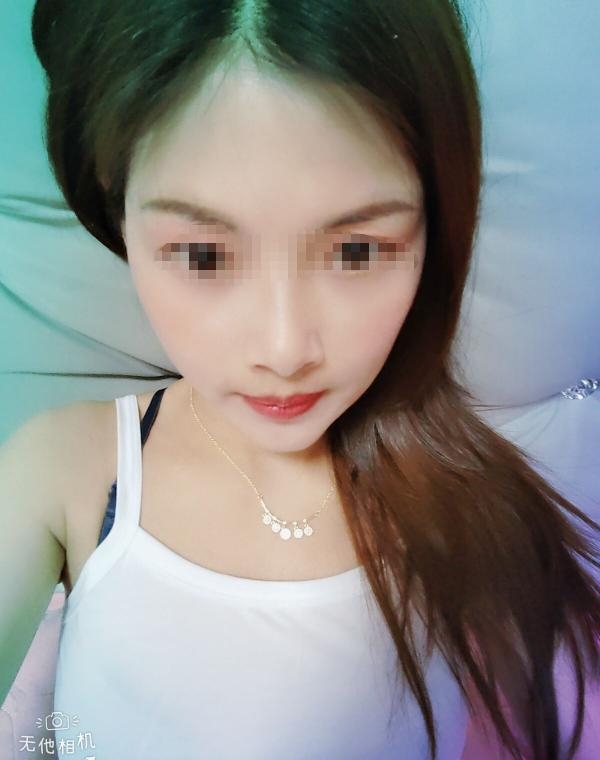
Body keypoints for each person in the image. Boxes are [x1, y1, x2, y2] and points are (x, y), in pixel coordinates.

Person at [1, 1, 599, 758]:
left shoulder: (471, 495)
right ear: (117, 207)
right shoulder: (66, 468)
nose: (284, 351)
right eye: (203, 255)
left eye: (357, 251)